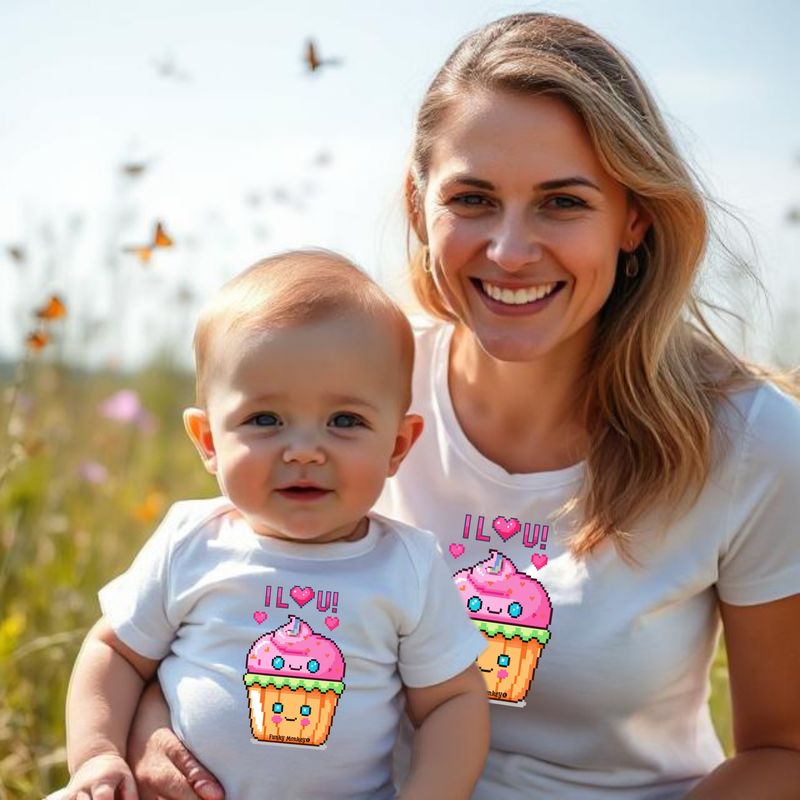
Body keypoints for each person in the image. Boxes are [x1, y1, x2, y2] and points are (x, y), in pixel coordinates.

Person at [119, 12, 800, 800]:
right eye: (473, 198)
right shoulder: (352, 391)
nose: (509, 251)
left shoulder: (753, 443)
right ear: (420, 208)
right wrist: (148, 734)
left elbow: (784, 753)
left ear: (635, 217)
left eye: (563, 203)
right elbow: (209, 602)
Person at [61, 250, 490, 800]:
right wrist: (98, 754)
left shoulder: (408, 566)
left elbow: (451, 702)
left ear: (397, 445)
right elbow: (116, 652)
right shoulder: (192, 540)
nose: (304, 450)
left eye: (345, 420)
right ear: (209, 441)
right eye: (265, 419)